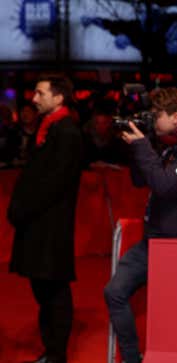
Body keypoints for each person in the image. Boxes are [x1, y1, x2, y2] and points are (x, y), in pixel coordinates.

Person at [103, 87, 177, 363]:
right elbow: (142, 181)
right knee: (114, 292)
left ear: (176, 117)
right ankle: (132, 358)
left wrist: (143, 147)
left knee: (172, 313)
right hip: (153, 241)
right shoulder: (173, 145)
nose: (152, 120)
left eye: (157, 115)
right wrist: (135, 148)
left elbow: (166, 185)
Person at [7, 74, 83, 363]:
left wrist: (21, 209)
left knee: (54, 291)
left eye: (40, 93)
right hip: (38, 225)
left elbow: (54, 183)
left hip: (51, 227)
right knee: (43, 290)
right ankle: (50, 351)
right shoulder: (50, 128)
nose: (34, 99)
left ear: (58, 98)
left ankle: (56, 354)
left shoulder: (67, 132)